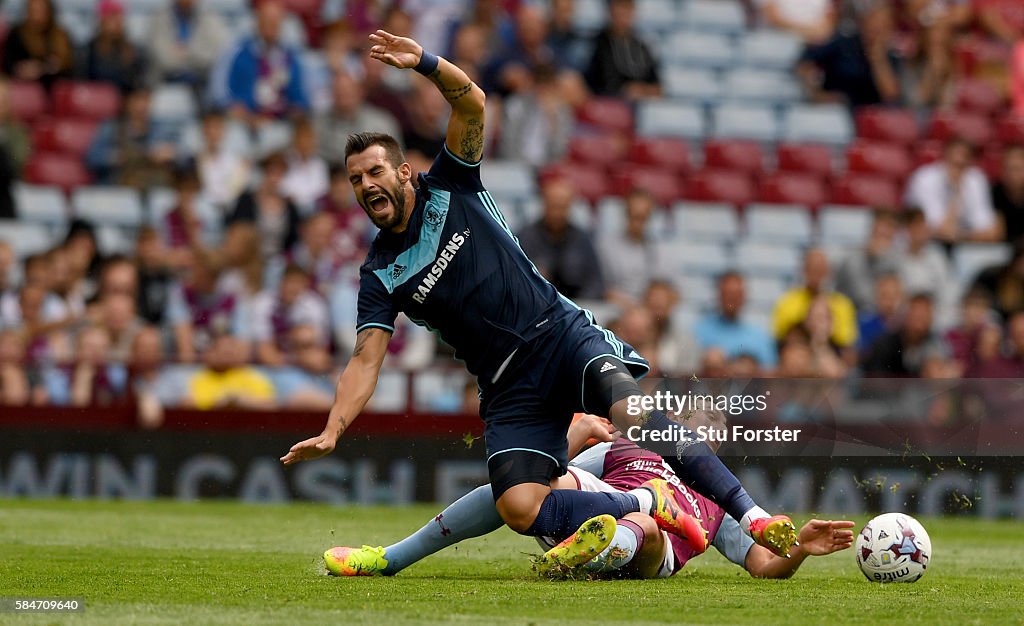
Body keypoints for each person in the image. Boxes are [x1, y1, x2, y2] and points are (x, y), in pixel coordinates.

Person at [280, 30, 796, 558]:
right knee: (519, 506)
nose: (366, 185)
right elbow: (366, 360)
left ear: (402, 171)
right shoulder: (381, 273)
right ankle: (647, 503)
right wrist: (333, 429)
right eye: (355, 180)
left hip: (558, 335)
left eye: (374, 172)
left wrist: (426, 63)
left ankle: (751, 515)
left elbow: (473, 103)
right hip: (508, 385)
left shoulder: (453, 183)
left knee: (633, 411)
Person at [323, 414, 854, 578]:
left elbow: (763, 564)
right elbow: (552, 480)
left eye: (709, 432)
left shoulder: (721, 504)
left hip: (648, 551)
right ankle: (390, 558)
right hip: (582, 514)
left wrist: (800, 548)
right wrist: (575, 432)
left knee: (647, 532)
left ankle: (624, 526)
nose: (699, 434)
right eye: (694, 425)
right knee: (509, 492)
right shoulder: (626, 449)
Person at [516, 174, 605, 300]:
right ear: (544, 204)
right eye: (554, 206)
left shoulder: (581, 239)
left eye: (562, 207)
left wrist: (578, 307)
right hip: (537, 306)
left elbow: (595, 281)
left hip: (576, 307)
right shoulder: (526, 237)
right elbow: (515, 280)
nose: (557, 213)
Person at [904, 138, 1001, 243]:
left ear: (971, 161)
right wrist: (956, 190)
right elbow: (941, 230)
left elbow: (990, 231)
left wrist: (961, 236)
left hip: (965, 244)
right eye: (954, 161)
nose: (959, 162)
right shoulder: (924, 178)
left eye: (963, 161)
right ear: (944, 156)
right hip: (924, 244)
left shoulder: (976, 179)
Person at [696, 272, 779, 370]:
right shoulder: (698, 332)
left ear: (744, 297)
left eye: (736, 295)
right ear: (718, 296)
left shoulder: (760, 337)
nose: (731, 299)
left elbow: (770, 373)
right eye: (727, 294)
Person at [584, 0, 660, 99]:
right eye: (618, 8)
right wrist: (626, 90)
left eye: (626, 8)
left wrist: (642, 90)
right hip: (606, 104)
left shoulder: (642, 47)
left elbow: (657, 87)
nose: (622, 14)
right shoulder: (596, 44)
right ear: (610, 11)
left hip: (640, 104)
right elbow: (600, 84)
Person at [146, 0, 230, 87]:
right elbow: (163, 59)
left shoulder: (210, 17)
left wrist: (186, 52)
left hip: (202, 83)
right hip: (165, 82)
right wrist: (194, 58)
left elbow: (218, 53)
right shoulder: (160, 17)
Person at [1, 0, 73, 90]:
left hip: (53, 90)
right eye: (33, 11)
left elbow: (66, 66)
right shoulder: (17, 34)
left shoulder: (59, 36)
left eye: (41, 11)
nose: (37, 16)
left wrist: (41, 69)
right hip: (20, 88)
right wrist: (21, 70)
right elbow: (7, 65)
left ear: (49, 12)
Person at [83, 0, 147, 93]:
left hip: (124, 104)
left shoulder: (131, 51)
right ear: (102, 20)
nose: (118, 21)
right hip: (97, 102)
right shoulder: (89, 51)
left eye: (120, 16)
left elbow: (138, 84)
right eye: (113, 15)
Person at [992, 144, 1024, 245]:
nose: (1012, 175)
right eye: (1008, 169)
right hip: (1002, 248)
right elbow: (997, 234)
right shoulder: (995, 192)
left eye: (1017, 169)